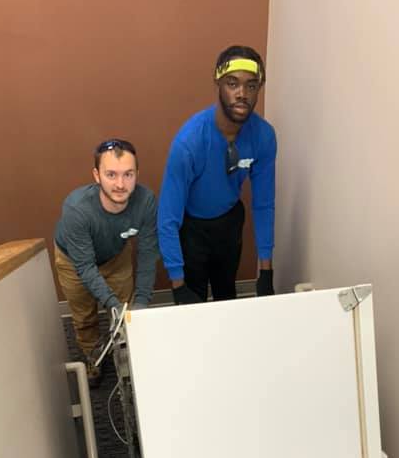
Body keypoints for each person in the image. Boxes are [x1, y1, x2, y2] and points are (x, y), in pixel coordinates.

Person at [158, 45, 277, 306]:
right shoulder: (189, 142)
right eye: (232, 83)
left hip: (229, 223)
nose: (242, 94)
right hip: (192, 229)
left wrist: (266, 270)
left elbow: (264, 204)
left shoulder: (264, 137)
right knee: (193, 309)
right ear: (218, 83)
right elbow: (168, 217)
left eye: (251, 85)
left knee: (227, 300)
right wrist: (178, 284)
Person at [55, 139, 158, 383]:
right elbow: (85, 267)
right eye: (111, 174)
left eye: (128, 174)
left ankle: (125, 358)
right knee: (84, 317)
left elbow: (147, 254)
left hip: (116, 256)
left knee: (126, 311)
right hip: (74, 262)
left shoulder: (145, 201)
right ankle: (93, 358)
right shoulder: (76, 209)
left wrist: (141, 302)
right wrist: (112, 304)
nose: (120, 184)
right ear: (96, 175)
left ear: (136, 175)